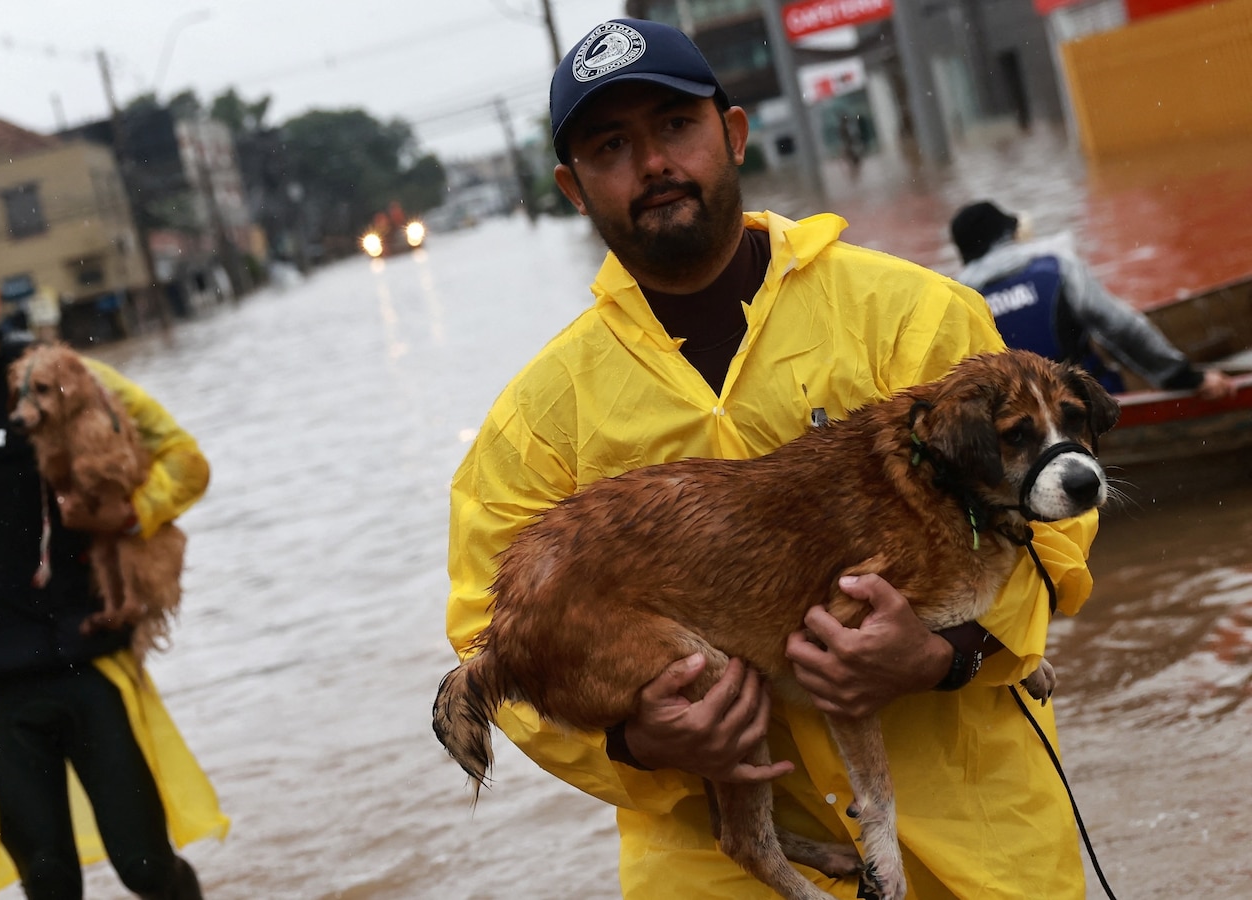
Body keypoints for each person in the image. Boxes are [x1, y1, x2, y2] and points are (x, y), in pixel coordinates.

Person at [445, 18, 1097, 899]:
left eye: (676, 127)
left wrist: (946, 655)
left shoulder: (914, 317)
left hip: (972, 845)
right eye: (611, 145)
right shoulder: (536, 418)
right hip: (715, 872)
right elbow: (493, 642)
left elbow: (1058, 534)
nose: (653, 165)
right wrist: (639, 742)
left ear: (734, 134)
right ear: (572, 186)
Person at [0, 237, 228, 899]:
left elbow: (185, 460)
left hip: (87, 654)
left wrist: (131, 516)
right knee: (48, 883)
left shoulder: (64, 378)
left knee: (146, 867)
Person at [950, 200, 1234, 399]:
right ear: (1011, 234)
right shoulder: (1057, 268)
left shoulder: (957, 298)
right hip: (1082, 407)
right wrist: (1186, 379)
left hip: (1014, 428)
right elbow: (1120, 328)